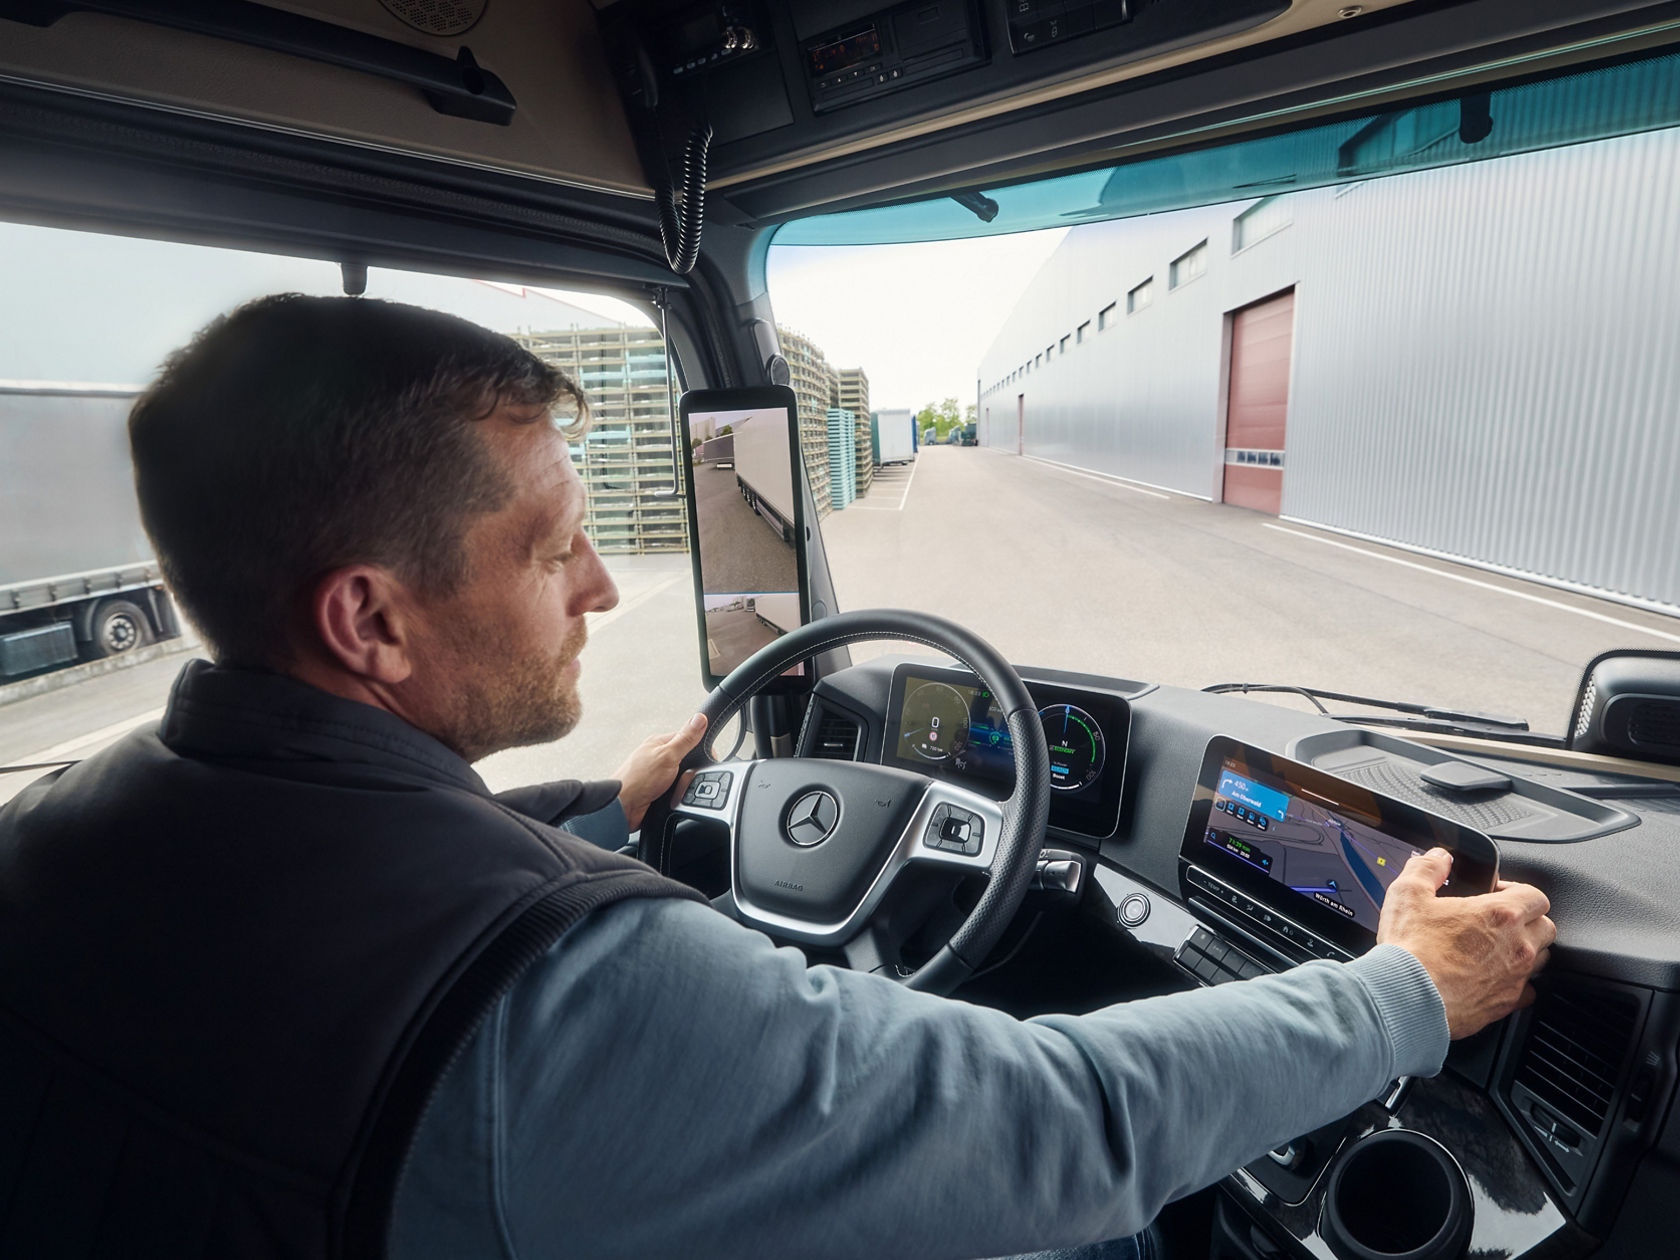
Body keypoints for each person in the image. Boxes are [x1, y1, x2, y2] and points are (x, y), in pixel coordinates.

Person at [0, 296, 1556, 1260]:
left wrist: (611, 811)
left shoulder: (67, 833)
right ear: (369, 618)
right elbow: (1054, 1126)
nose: (603, 592)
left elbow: (377, 871)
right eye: (553, 551)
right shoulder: (564, 991)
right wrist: (1400, 992)